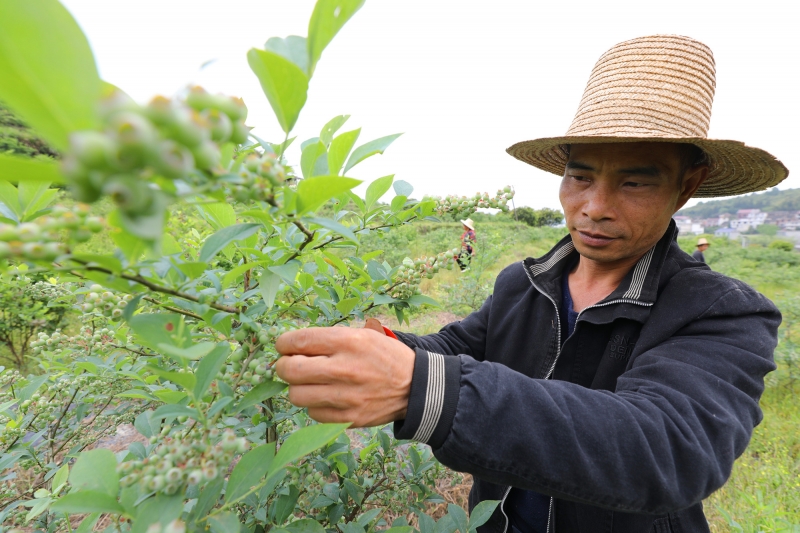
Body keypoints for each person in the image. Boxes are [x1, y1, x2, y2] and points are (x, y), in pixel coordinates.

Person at [274, 35, 788, 532]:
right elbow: (451, 347)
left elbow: (668, 451)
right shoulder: (524, 285)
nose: (594, 207)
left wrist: (422, 386)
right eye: (580, 177)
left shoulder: (723, 312)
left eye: (634, 182)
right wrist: (366, 349)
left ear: (687, 186)